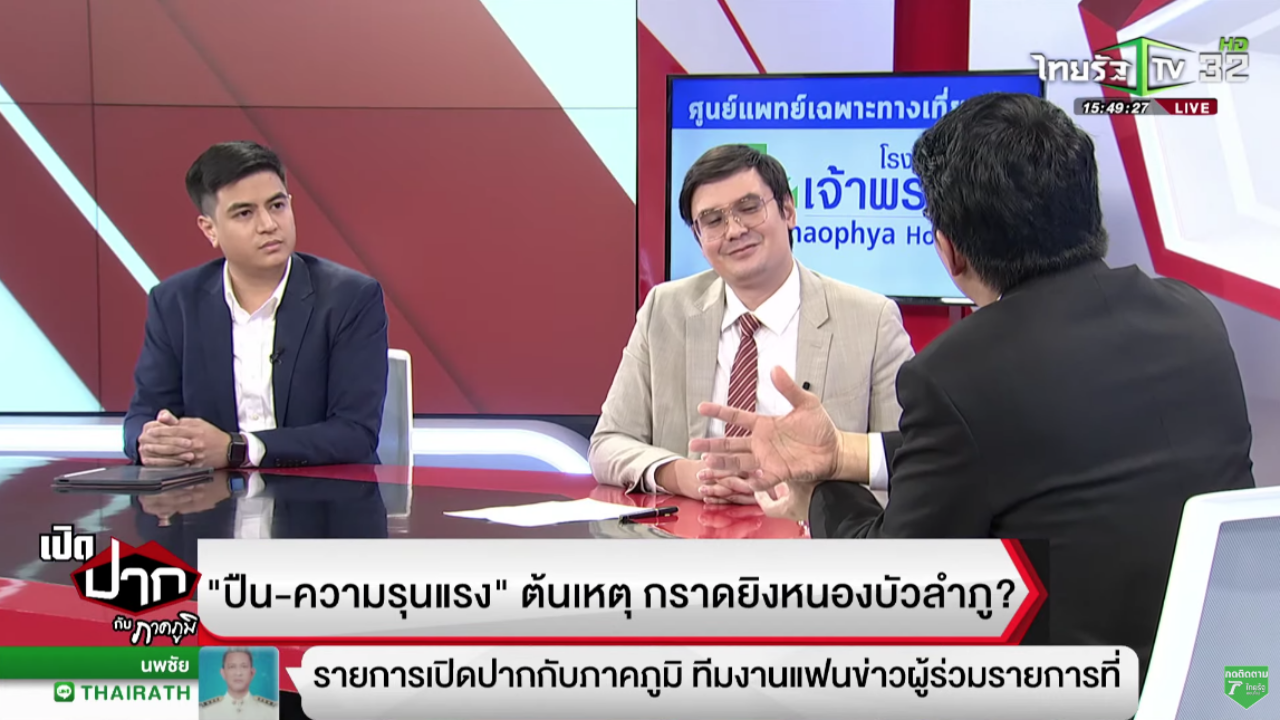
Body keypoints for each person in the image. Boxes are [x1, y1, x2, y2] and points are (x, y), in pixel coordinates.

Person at [690, 93, 1255, 684]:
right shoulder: (1192, 315)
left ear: (950, 249)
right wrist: (845, 454)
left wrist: (816, 494)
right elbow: (1026, 446)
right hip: (1219, 678)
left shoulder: (957, 372)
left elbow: (895, 590)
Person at [590, 144, 913, 504]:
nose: (734, 230)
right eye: (713, 221)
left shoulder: (872, 321)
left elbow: (910, 461)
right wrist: (683, 475)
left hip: (814, 533)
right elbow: (607, 443)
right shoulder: (664, 310)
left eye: (748, 208)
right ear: (699, 239)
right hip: (689, 532)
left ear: (788, 210)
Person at [123, 141, 388, 471]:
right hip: (210, 495)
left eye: (277, 205)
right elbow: (143, 415)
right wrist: (150, 442)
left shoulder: (350, 298)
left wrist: (238, 448)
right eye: (245, 213)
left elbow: (355, 433)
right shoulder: (175, 303)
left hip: (324, 493)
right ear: (210, 229)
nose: (268, 224)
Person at [200, 648, 277, 719]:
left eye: (244, 666)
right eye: (232, 666)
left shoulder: (272, 711)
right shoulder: (204, 712)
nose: (238, 673)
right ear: (223, 673)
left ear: (252, 673)